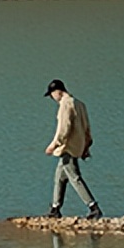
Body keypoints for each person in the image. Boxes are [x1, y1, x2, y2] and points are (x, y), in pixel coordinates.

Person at [43, 79, 102, 219]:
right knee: (60, 177)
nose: (52, 98)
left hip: (68, 147)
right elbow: (87, 128)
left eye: (52, 95)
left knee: (75, 177)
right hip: (77, 146)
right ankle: (55, 208)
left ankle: (93, 206)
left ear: (57, 92)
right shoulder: (80, 104)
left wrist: (54, 144)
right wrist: (86, 146)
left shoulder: (65, 104)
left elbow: (64, 129)